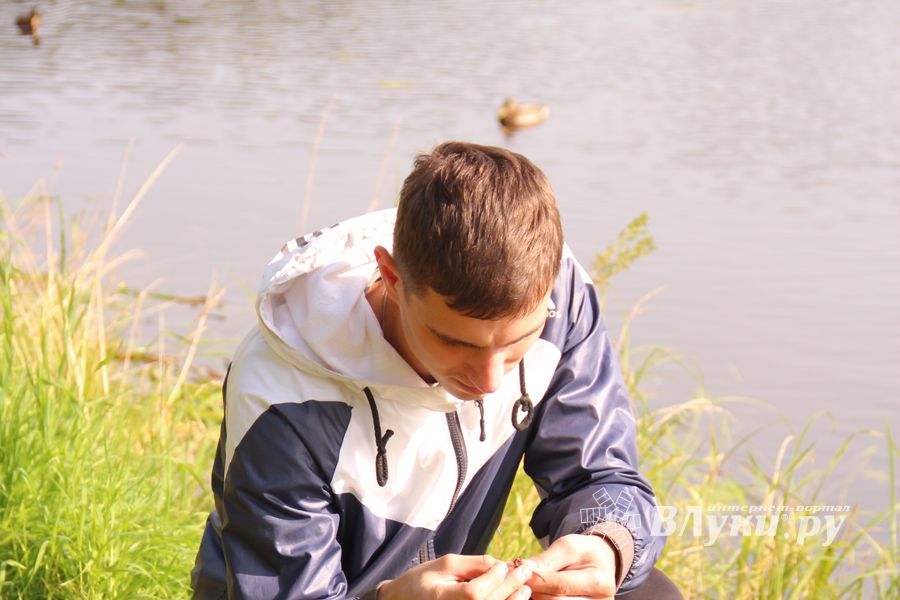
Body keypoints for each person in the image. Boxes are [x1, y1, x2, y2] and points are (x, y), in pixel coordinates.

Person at [192, 142, 680, 599]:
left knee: (648, 591)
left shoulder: (560, 296)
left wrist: (606, 544)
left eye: (515, 344)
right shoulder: (282, 396)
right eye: (453, 341)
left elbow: (601, 476)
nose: (490, 381)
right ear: (392, 276)